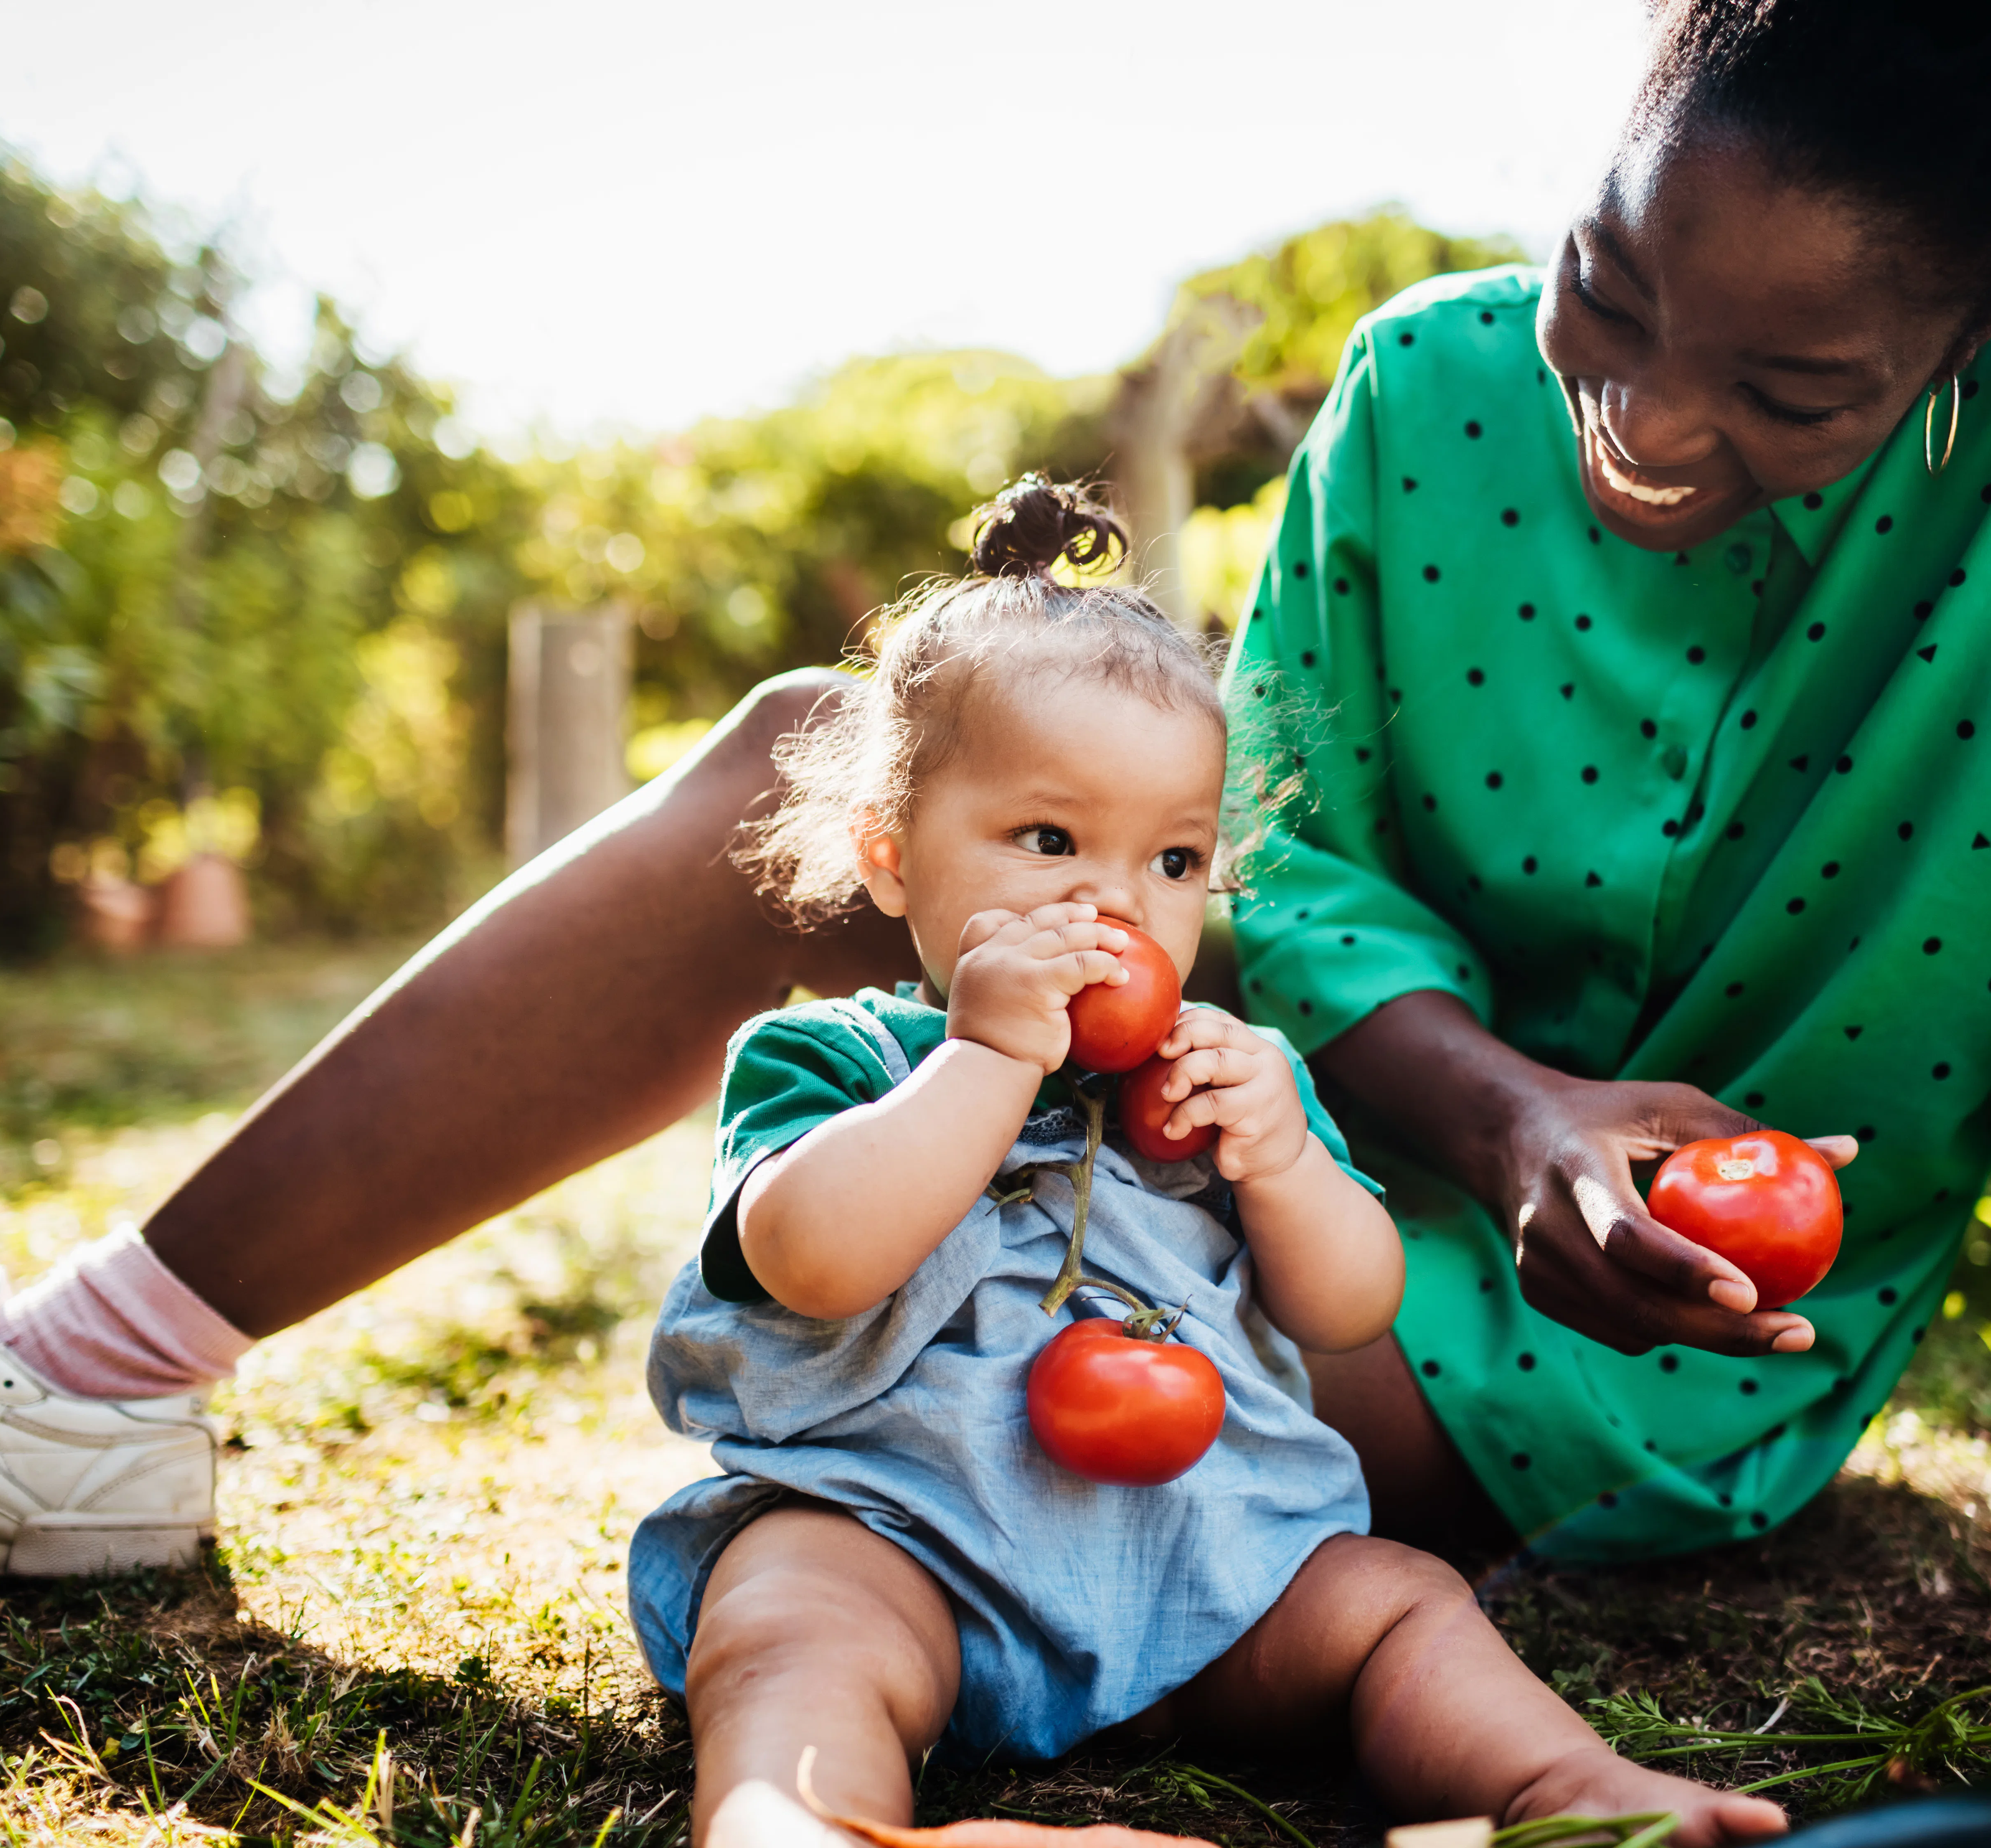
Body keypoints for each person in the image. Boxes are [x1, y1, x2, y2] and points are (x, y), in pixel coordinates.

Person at [0, 0, 1991, 1583]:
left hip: (1609, 1353)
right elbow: (1272, 865)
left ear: (1984, 332)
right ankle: (90, 1386)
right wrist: (1500, 1108)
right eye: (1612, 290)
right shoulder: (1425, 387)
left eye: (1793, 390)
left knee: (1083, 1297)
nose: (1650, 423)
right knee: (826, 757)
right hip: (1278, 1110)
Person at [648, 481, 1783, 1846]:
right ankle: (801, 1825)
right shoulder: (839, 1061)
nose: (1116, 902)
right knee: (786, 1623)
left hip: (1200, 1563)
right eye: (1050, 841)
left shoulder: (1228, 1080)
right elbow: (813, 1259)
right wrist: (987, 1060)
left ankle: (1565, 1793)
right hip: (897, 1541)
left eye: (1176, 859)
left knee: (1399, 1605)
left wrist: (1287, 1162)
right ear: (890, 860)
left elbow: (1351, 1307)